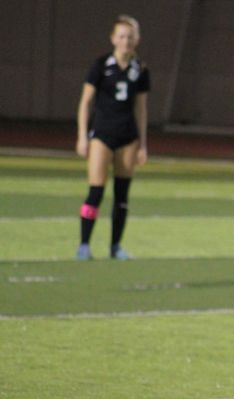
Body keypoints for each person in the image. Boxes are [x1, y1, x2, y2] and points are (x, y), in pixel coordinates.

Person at [75, 14, 149, 261]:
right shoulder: (100, 66)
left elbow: (141, 109)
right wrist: (82, 136)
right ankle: (84, 244)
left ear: (136, 40)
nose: (125, 41)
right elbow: (85, 102)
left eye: (129, 37)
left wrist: (143, 144)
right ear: (113, 38)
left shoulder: (141, 70)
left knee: (122, 195)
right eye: (121, 36)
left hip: (127, 137)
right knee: (95, 191)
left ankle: (115, 246)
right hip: (102, 135)